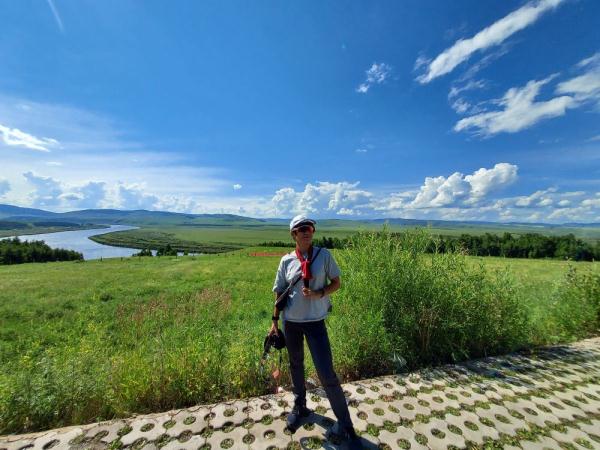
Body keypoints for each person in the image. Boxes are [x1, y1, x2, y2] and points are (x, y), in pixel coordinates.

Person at [269, 215, 362, 449]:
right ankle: (300, 407)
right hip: (291, 323)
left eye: (309, 228)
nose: (306, 232)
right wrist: (274, 322)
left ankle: (345, 423)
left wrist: (320, 293)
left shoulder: (324, 256)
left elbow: (337, 283)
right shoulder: (286, 261)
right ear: (293, 234)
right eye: (301, 229)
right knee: (296, 365)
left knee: (326, 372)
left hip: (316, 322)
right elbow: (279, 292)